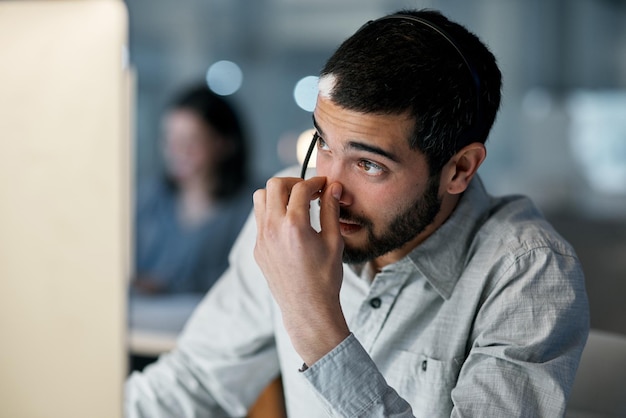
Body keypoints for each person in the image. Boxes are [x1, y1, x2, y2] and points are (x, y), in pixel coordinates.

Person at [126, 9, 589, 417]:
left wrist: (315, 322)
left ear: (459, 169)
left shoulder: (528, 273)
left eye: (369, 164)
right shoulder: (292, 218)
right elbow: (195, 385)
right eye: (324, 144)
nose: (329, 187)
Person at [132, 84, 253, 295]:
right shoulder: (149, 198)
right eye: (170, 140)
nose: (176, 152)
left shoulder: (251, 207)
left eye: (190, 141)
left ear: (223, 143)